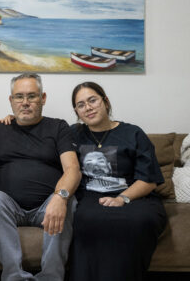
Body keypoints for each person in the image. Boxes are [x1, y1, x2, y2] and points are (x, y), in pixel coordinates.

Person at [0, 73, 81, 281]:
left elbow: (72, 169)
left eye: (32, 96)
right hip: (10, 207)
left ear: (43, 98)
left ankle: (51, 277)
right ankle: (14, 277)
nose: (25, 102)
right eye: (19, 97)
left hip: (48, 204)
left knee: (70, 201)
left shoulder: (58, 127)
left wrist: (60, 196)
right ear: (11, 101)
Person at [68, 81, 167, 281]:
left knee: (139, 221)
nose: (88, 107)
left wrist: (122, 198)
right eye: (81, 105)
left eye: (92, 100)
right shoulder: (73, 134)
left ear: (106, 101)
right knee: (84, 220)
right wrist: (13, 119)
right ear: (77, 112)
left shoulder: (133, 133)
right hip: (90, 198)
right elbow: (41, 131)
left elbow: (148, 180)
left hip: (135, 196)